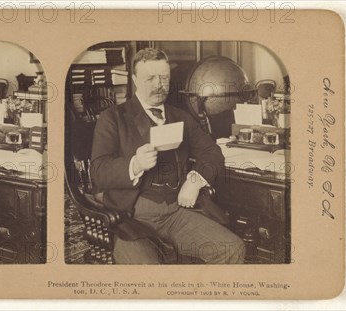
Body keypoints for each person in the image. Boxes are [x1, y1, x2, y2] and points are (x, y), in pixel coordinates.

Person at [90, 48, 244, 264]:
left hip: (175, 212)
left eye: (163, 77)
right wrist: (134, 164)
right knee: (152, 276)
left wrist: (195, 179)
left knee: (232, 249)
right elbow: (97, 172)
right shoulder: (113, 118)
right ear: (134, 80)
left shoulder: (181, 117)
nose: (158, 85)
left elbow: (212, 153)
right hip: (130, 217)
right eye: (150, 78)